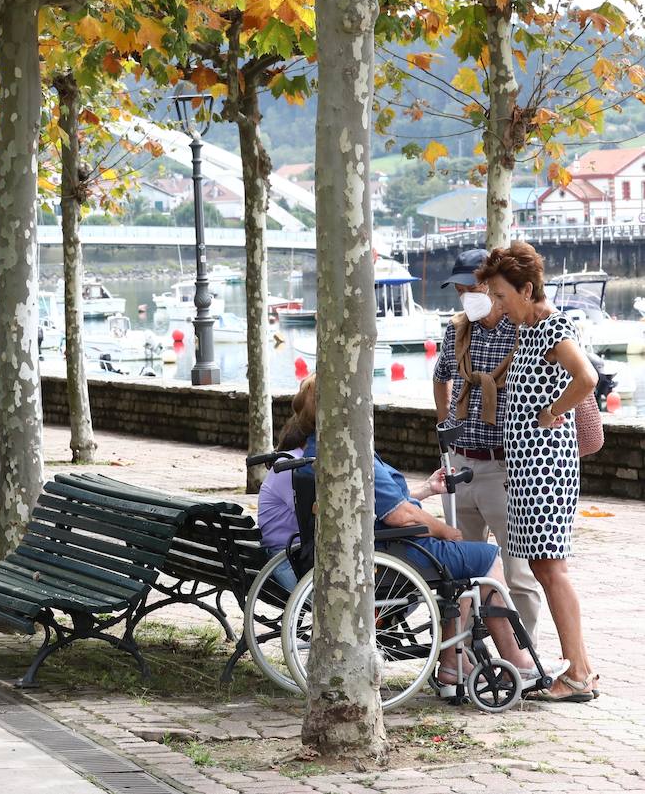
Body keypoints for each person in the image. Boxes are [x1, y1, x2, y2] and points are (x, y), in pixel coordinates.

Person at [257, 374, 544, 690]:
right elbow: (399, 515)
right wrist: (445, 531)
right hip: (382, 553)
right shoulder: (353, 453)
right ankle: (516, 663)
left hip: (343, 551)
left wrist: (424, 492)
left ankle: (455, 664)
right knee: (485, 558)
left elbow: (379, 502)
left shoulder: (317, 452)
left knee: (463, 567)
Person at [479, 241, 600, 702]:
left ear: (527, 290)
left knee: (551, 568)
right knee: (543, 566)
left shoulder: (553, 327)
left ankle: (579, 672)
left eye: (502, 295)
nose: (497, 303)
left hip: (547, 466)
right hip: (528, 466)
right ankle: (578, 668)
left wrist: (553, 411)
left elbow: (585, 378)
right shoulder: (526, 329)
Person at [431, 248, 541, 639]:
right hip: (461, 464)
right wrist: (445, 419)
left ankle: (525, 657)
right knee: (463, 568)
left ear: (492, 287)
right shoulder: (456, 330)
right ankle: (468, 652)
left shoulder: (522, 330)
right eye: (459, 290)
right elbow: (440, 375)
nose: (465, 297)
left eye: (471, 288)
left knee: (519, 571)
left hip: (504, 466)